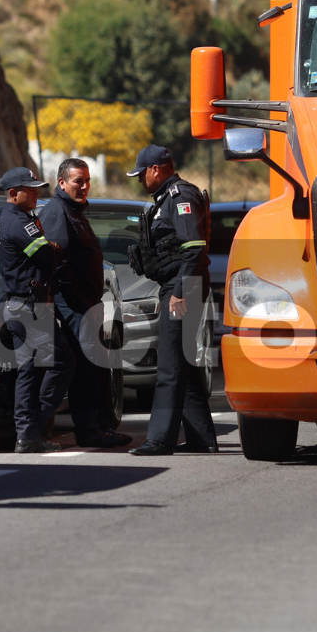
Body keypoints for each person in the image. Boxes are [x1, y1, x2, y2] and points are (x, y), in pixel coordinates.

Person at [125, 145, 218, 456]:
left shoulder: (180, 197)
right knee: (185, 366)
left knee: (168, 365)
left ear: (156, 170)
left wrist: (179, 291)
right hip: (179, 284)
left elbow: (194, 248)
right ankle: (202, 438)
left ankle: (161, 439)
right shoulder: (166, 198)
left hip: (183, 287)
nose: (140, 181)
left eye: (141, 175)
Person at [39, 158, 131, 448]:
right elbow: (59, 263)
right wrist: (79, 301)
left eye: (87, 180)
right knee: (86, 368)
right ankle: (89, 430)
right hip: (74, 306)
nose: (85, 186)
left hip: (87, 304)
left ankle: (99, 427)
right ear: (62, 182)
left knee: (95, 366)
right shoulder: (57, 211)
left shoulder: (75, 211)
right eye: (78, 180)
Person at [0, 166, 75, 453]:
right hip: (28, 309)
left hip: (26, 306)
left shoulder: (15, 218)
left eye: (36, 188)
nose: (36, 193)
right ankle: (31, 429)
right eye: (29, 190)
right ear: (13, 193)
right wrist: (52, 247)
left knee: (33, 370)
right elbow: (47, 256)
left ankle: (30, 430)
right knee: (55, 364)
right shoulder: (18, 222)